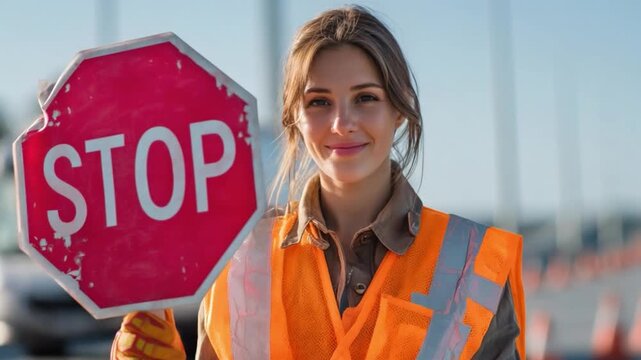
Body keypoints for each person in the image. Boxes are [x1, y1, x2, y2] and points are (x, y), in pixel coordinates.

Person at [111, 6, 526, 360]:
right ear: (295, 117)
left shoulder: (473, 266)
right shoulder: (240, 262)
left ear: (399, 111)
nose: (342, 124)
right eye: (319, 102)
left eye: (365, 98)